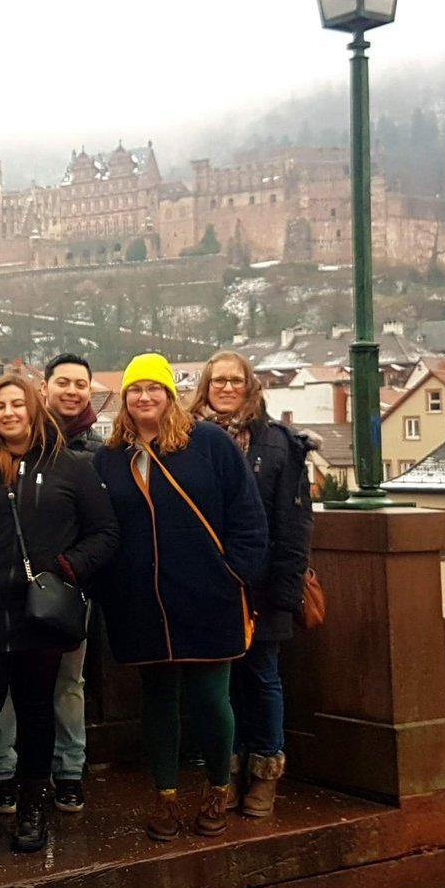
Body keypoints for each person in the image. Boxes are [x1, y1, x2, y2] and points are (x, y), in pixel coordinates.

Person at [0, 373, 118, 856]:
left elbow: (104, 533)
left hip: (43, 619)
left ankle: (33, 812)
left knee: (37, 714)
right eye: (0, 407)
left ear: (34, 411)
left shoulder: (71, 467)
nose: (9, 413)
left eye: (18, 404)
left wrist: (65, 569)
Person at [92, 353, 267, 842]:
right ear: (124, 399)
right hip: (141, 600)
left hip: (207, 594)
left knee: (212, 699)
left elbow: (247, 514)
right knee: (158, 701)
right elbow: (103, 529)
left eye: (154, 388)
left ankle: (216, 788)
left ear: (171, 395)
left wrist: (234, 573)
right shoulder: (110, 456)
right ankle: (164, 796)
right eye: (134, 390)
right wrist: (111, 587)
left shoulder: (208, 443)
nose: (144, 397)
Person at [188, 351, 313, 817]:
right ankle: (225, 772)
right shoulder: (186, 439)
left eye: (234, 381)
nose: (225, 388)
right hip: (209, 585)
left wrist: (286, 588)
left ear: (249, 387)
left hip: (262, 586)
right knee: (217, 683)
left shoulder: (278, 443)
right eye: (217, 380)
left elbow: (295, 524)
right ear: (205, 386)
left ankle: (263, 776)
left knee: (261, 677)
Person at [0, 353, 102, 816]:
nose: (72, 391)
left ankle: (69, 770)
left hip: (68, 591)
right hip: (6, 590)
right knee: (10, 687)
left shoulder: (94, 453)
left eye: (81, 383)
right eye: (62, 383)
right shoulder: (1, 451)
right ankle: (2, 769)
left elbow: (105, 528)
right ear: (44, 390)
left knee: (68, 683)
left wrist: (71, 569)